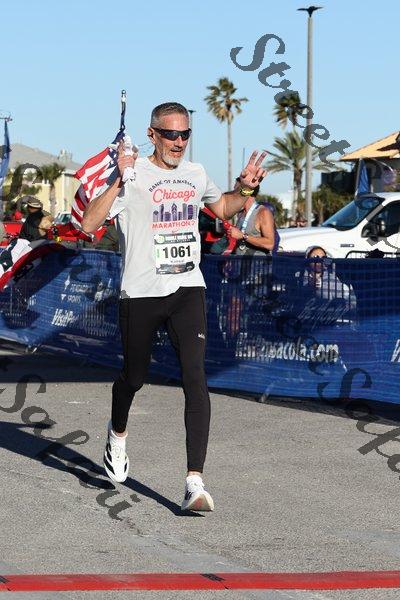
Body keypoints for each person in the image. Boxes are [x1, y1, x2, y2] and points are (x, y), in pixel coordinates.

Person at [82, 101, 266, 512]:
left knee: (195, 377)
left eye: (185, 134)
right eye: (170, 134)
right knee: (134, 377)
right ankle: (117, 432)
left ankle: (193, 482)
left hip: (187, 288)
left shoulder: (195, 174)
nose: (179, 142)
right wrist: (119, 178)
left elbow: (222, 208)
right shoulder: (132, 176)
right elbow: (89, 224)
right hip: (141, 292)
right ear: (153, 135)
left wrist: (246, 189)